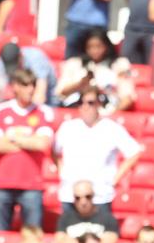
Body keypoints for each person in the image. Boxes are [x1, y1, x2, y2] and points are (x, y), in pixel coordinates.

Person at [0, 69, 55, 231]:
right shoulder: (1, 110)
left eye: (33, 85)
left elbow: (42, 145)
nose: (30, 89)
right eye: (25, 85)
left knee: (32, 237)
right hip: (3, 183)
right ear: (15, 87)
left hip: (32, 185)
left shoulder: (43, 112)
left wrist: (12, 137)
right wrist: (29, 140)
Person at [54, 86, 141, 215]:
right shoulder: (68, 127)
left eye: (90, 102)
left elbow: (134, 152)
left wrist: (114, 179)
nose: (85, 107)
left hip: (100, 194)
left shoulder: (111, 128)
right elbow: (53, 150)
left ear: (99, 103)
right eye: (81, 102)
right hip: (70, 193)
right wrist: (61, 170)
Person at [55, 30, 135, 112]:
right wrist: (81, 83)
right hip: (76, 110)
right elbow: (60, 92)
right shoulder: (74, 64)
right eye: (90, 47)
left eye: (99, 46)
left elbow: (127, 98)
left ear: (107, 46)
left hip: (106, 112)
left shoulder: (120, 65)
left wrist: (111, 116)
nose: (95, 51)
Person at [55, 179, 120, 243]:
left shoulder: (108, 218)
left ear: (93, 196)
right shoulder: (65, 218)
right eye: (78, 198)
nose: (83, 202)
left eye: (87, 196)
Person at [0, 41, 58, 107]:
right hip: (20, 101)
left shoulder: (36, 58)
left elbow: (40, 95)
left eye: (14, 65)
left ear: (20, 56)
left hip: (49, 100)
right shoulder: (1, 62)